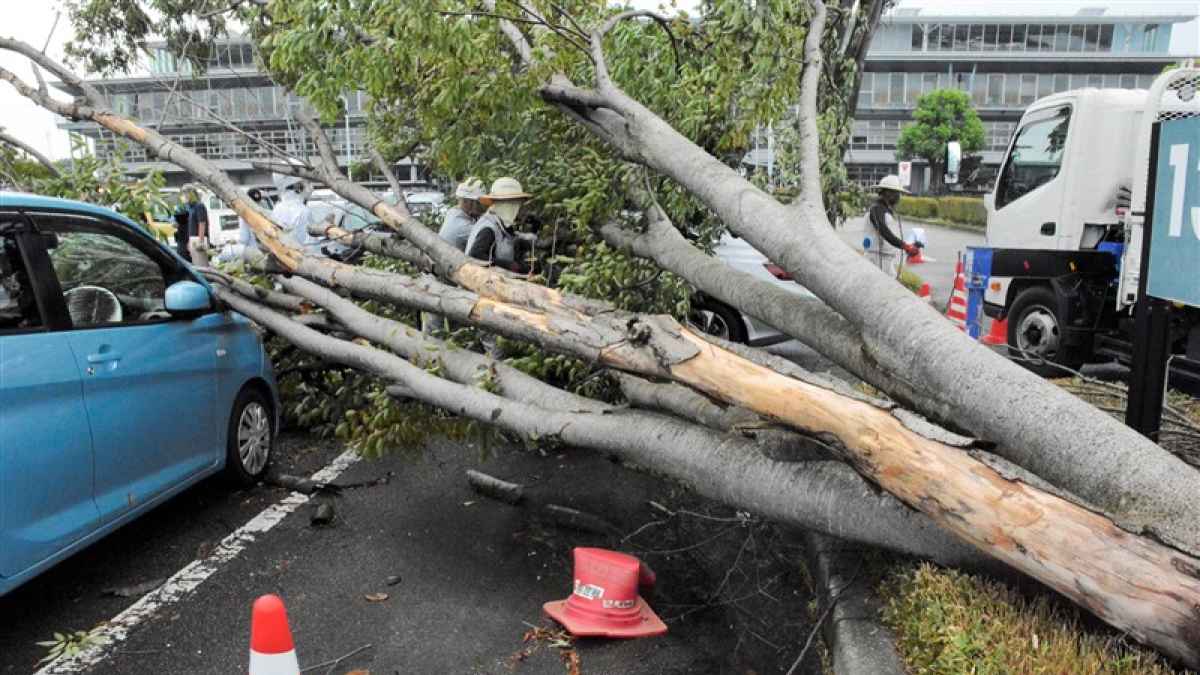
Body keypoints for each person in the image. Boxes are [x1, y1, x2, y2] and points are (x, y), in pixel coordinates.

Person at [466, 177, 536, 274]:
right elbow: (475, 255)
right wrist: (511, 266)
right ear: (505, 205)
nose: (518, 208)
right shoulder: (488, 228)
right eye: (515, 204)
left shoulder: (499, 220)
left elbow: (507, 236)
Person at [865, 175, 919, 280]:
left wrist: (908, 247)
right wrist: (904, 246)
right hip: (877, 260)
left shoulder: (884, 209)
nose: (899, 197)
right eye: (897, 193)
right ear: (888, 193)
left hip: (884, 259)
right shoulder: (877, 209)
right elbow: (884, 231)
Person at [271, 173, 321, 254]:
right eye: (308, 182)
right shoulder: (303, 211)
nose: (312, 187)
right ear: (298, 187)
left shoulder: (276, 209)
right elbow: (311, 247)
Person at [439, 178, 486, 251]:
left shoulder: (452, 212)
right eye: (478, 203)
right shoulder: (464, 227)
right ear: (468, 202)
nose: (481, 206)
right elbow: (487, 237)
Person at [184, 185, 209, 261]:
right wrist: (189, 241)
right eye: (184, 193)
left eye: (186, 193)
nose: (185, 196)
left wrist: (200, 242)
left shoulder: (199, 206)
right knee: (195, 263)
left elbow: (202, 224)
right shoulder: (190, 207)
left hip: (199, 240)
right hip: (193, 240)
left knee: (201, 263)